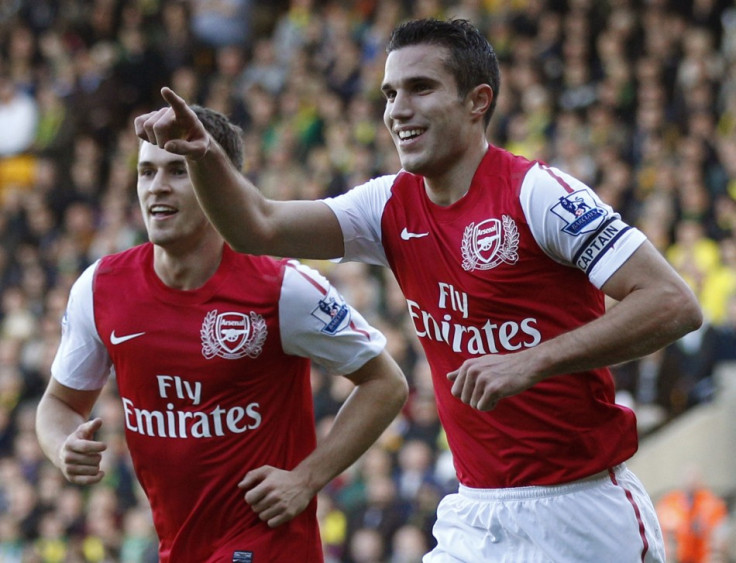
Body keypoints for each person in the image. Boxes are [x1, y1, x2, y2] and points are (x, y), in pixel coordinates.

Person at [135, 18, 703, 562]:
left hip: (580, 509)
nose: (397, 110)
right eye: (388, 94)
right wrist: (205, 155)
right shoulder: (387, 205)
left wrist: (531, 361)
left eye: (420, 89)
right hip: (476, 511)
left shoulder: (539, 195)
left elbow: (673, 303)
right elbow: (256, 226)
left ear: (477, 101)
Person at [35, 104, 408, 562]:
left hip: (269, 546)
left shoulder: (283, 288)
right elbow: (58, 404)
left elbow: (386, 383)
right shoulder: (100, 288)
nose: (157, 188)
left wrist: (306, 478)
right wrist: (62, 446)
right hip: (179, 547)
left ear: (219, 183)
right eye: (146, 172)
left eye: (178, 170)